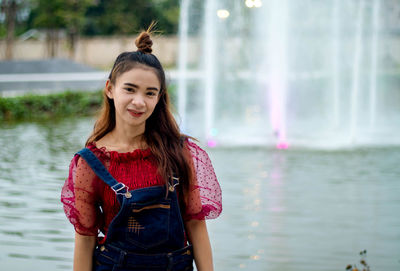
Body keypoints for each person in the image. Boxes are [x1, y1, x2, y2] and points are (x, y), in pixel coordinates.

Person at [61, 25, 222, 271]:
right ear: (110, 89)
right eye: (129, 89)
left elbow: (196, 225)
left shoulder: (178, 151)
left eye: (150, 93)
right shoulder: (90, 162)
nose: (139, 101)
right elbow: (85, 239)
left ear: (158, 99)